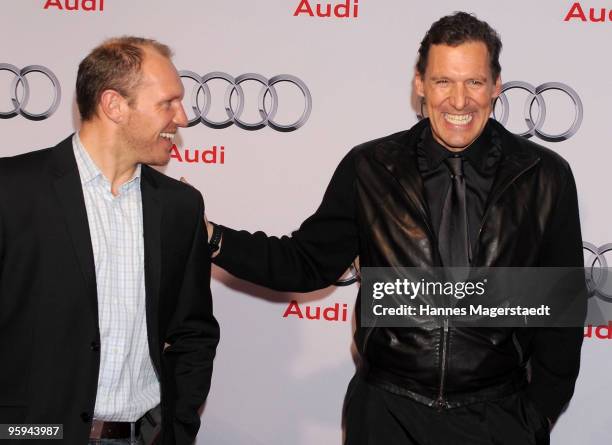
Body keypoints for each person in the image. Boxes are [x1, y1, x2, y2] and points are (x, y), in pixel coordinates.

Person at [204, 12, 584, 445]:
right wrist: (212, 239)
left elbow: (561, 312)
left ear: (496, 86)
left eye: (474, 83)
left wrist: (534, 416)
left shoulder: (543, 175)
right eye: (443, 82)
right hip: (388, 415)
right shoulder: (371, 168)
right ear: (419, 84)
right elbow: (305, 263)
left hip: (497, 417)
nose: (459, 101)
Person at [0, 37, 219, 445]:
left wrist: (177, 428)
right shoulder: (12, 192)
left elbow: (193, 333)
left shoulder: (179, 207)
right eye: (167, 103)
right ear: (114, 105)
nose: (183, 118)